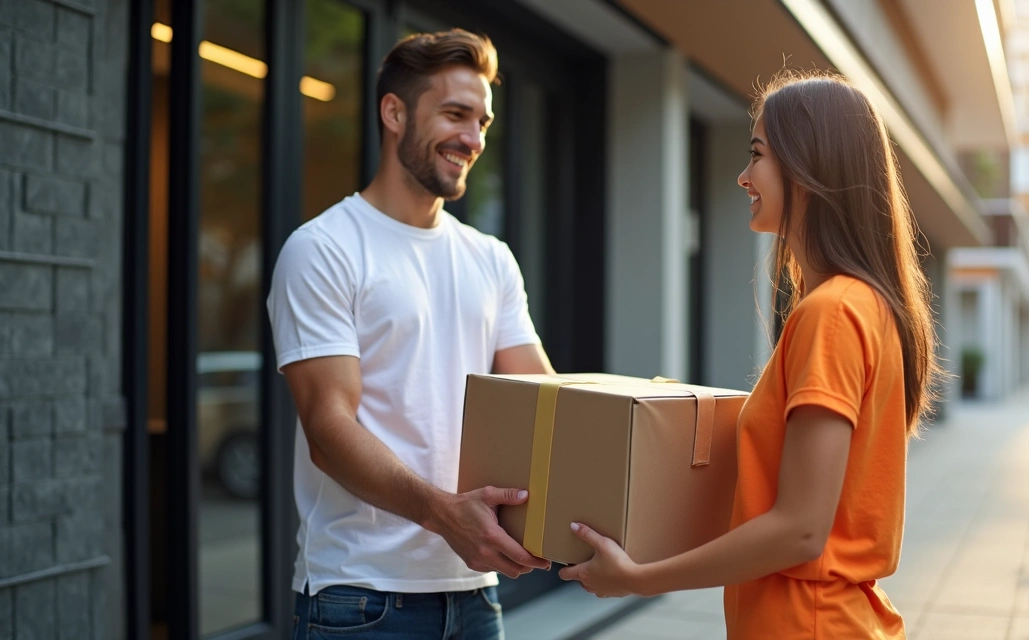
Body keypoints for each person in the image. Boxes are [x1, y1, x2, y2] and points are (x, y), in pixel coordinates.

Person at [559, 70, 941, 639]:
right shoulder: (868, 305)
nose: (743, 177)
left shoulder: (831, 312)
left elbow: (800, 531)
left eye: (757, 155)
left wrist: (639, 578)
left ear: (809, 165)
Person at [268, 29, 554, 639]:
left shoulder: (491, 258)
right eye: (455, 114)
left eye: (482, 121)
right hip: (361, 597)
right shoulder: (323, 249)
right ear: (394, 112)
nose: (473, 139)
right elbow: (328, 428)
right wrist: (445, 515)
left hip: (475, 593)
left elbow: (543, 400)